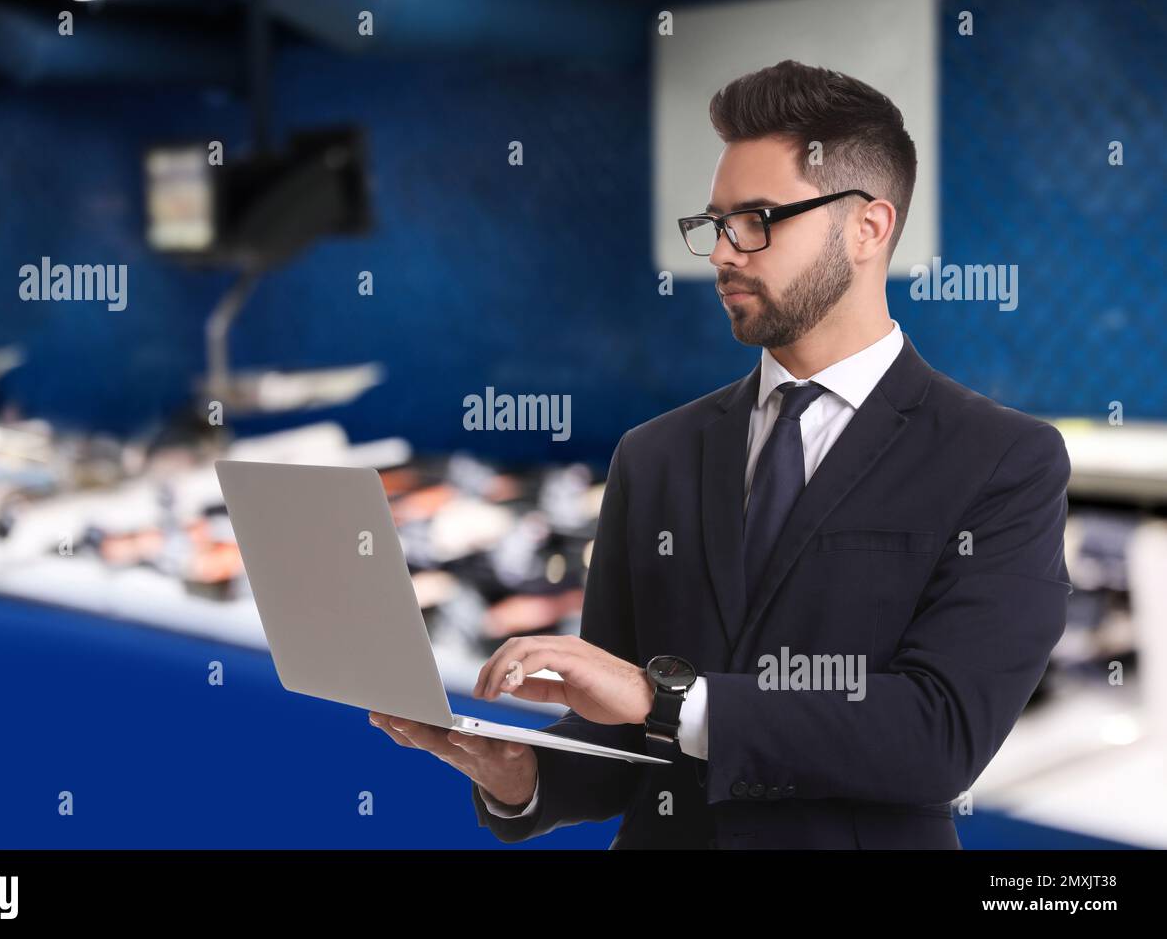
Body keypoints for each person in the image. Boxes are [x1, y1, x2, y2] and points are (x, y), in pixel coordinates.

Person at [370, 59, 1071, 849]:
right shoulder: (656, 454)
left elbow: (938, 737)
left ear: (869, 227)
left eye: (758, 219)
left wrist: (664, 700)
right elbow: (625, 747)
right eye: (715, 224)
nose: (723, 254)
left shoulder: (1003, 460)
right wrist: (523, 776)